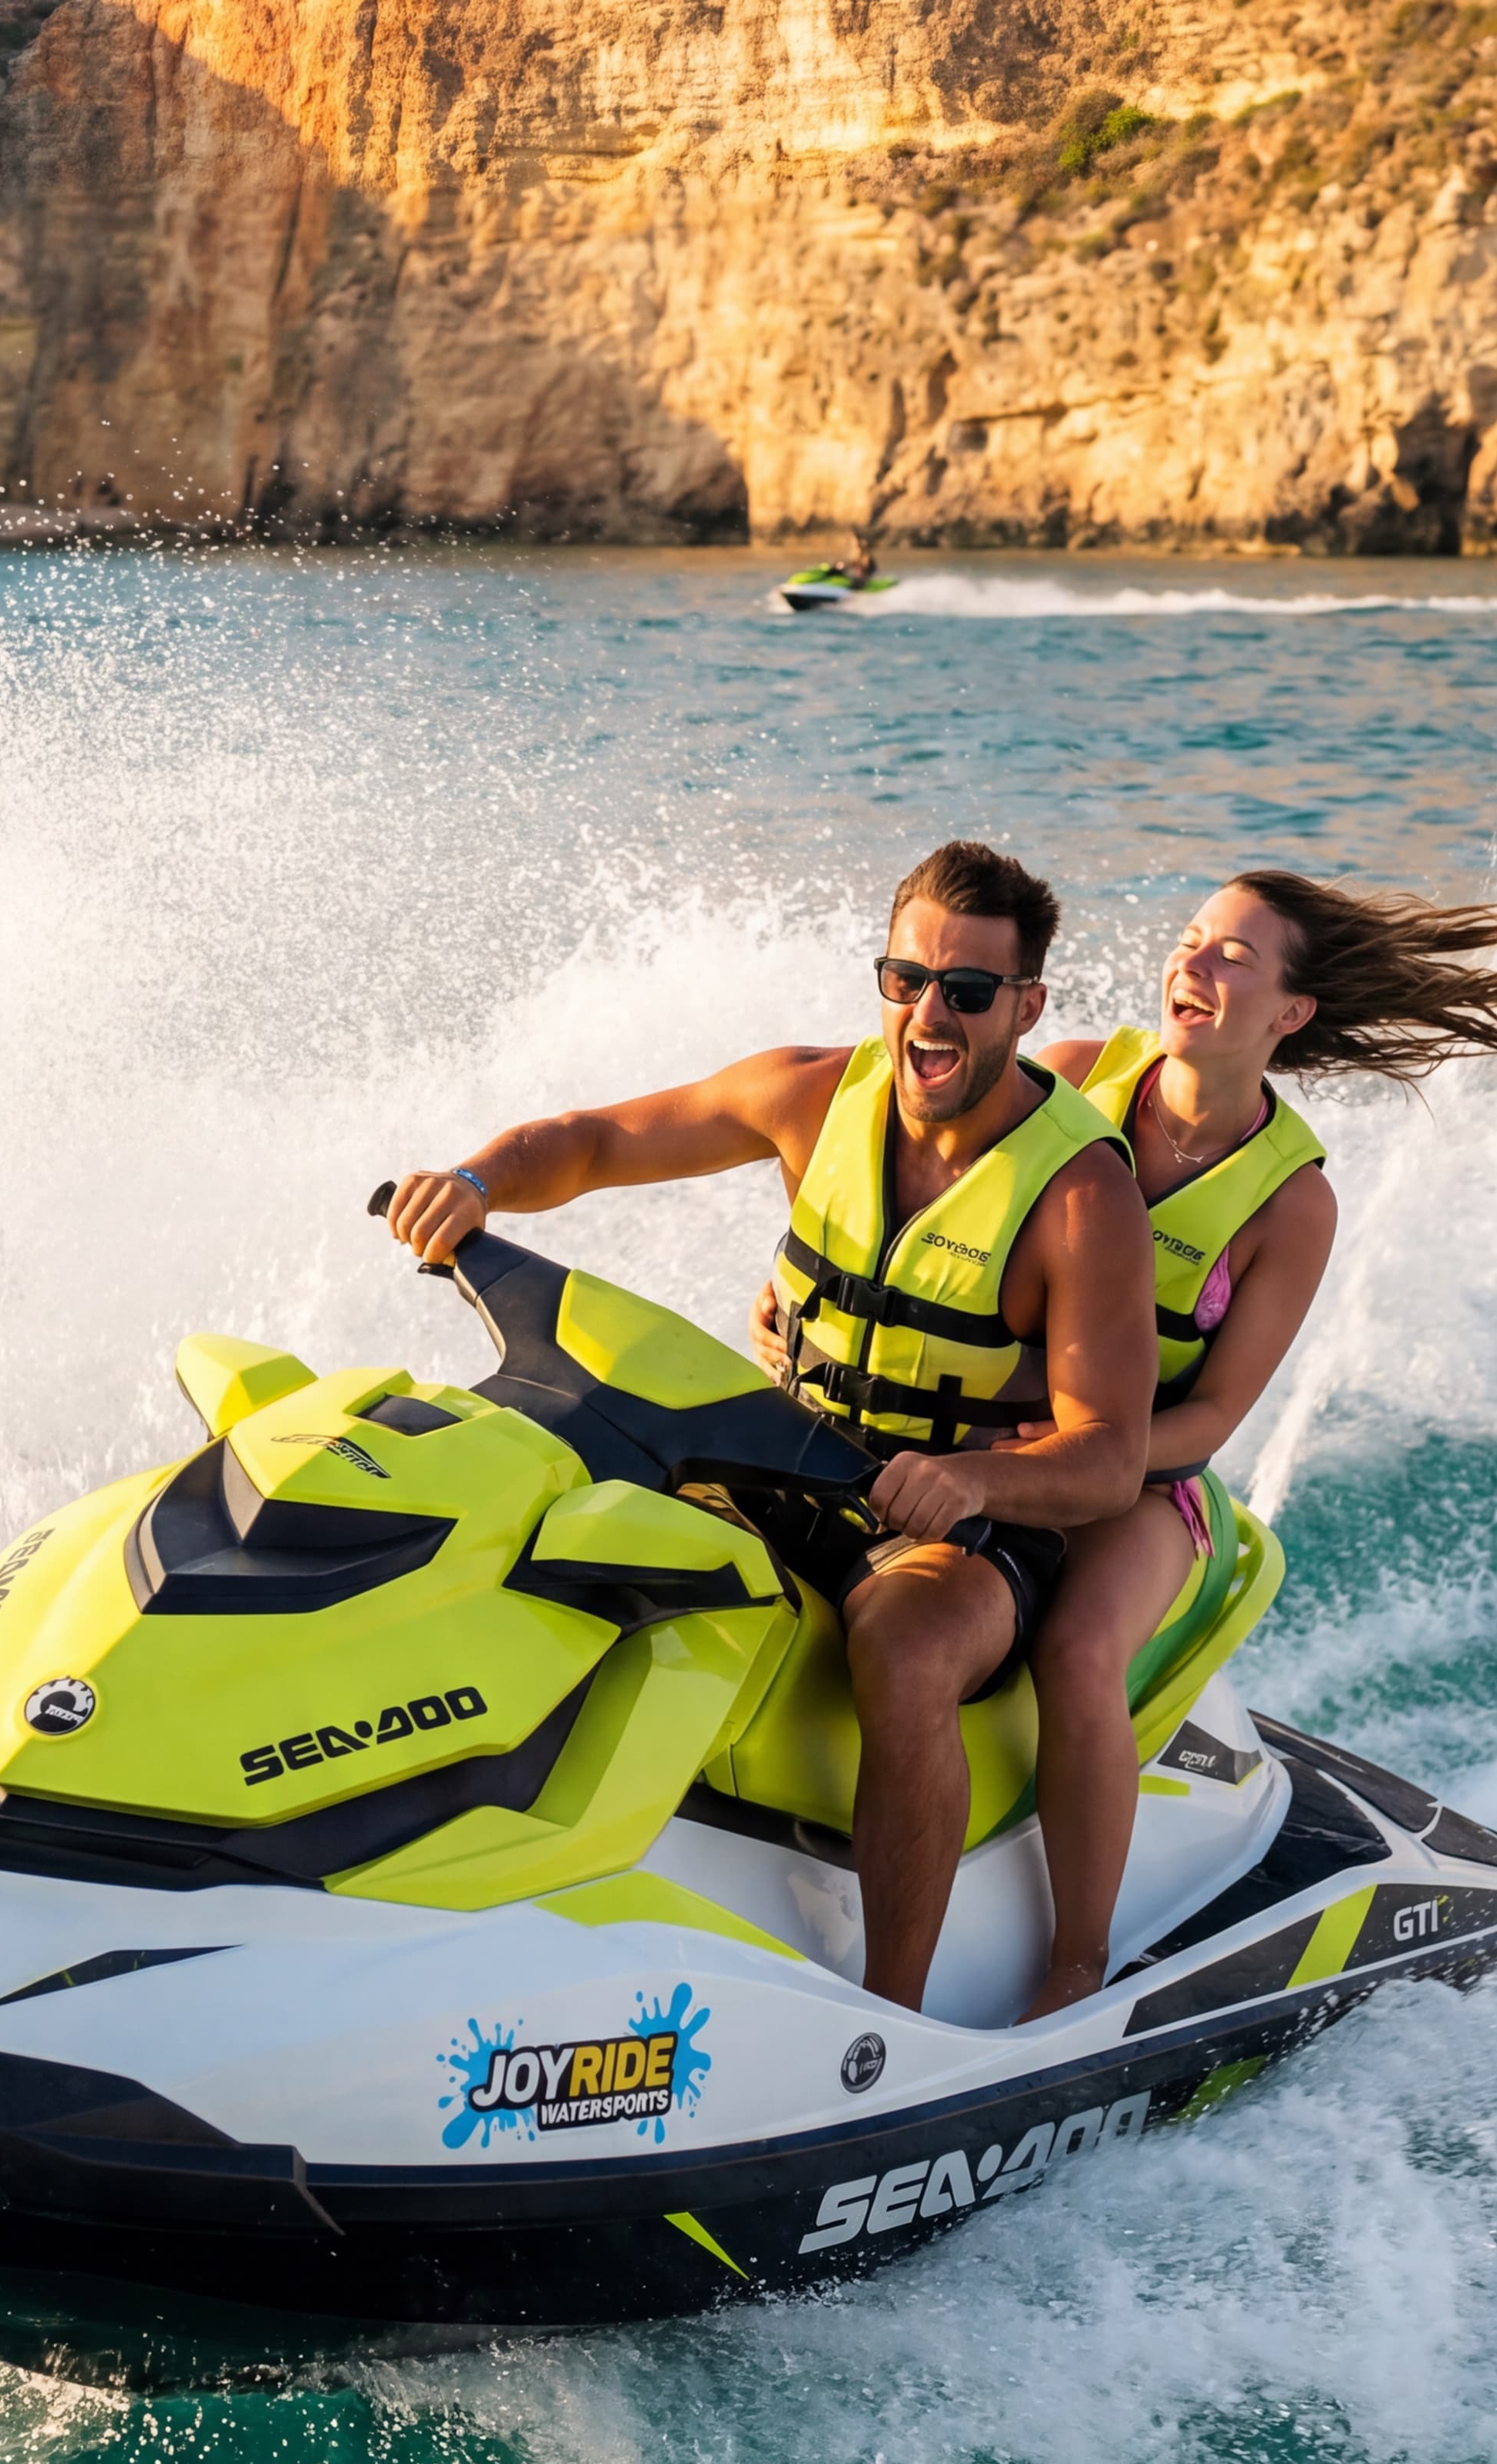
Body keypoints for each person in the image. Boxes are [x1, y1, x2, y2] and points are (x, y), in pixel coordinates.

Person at [385, 842, 1157, 2010]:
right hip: (774, 1458)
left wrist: (972, 1484)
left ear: (1027, 1006)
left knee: (902, 1647)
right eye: (907, 979)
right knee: (544, 1516)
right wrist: (478, 1182)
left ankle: (890, 2019)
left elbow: (1109, 1456)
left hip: (962, 1527)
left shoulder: (1080, 1195)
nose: (928, 1014)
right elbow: (595, 1142)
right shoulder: (812, 1094)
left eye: (967, 991)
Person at [1012, 867, 1497, 2016]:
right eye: (1192, 940)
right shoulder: (1070, 1082)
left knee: (1076, 1655)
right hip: (988, 1429)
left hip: (1142, 1487)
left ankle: (1076, 1963)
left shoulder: (1289, 1202)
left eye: (1234, 957)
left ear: (1289, 1014)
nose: (1194, 966)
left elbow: (1218, 1416)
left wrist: (1084, 1457)